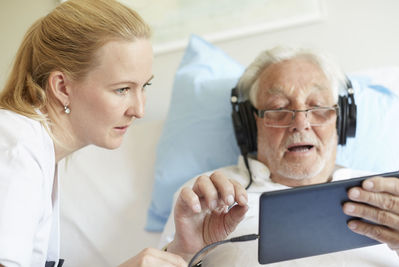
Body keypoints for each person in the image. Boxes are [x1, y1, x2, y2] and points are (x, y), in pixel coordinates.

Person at [0, 0, 249, 266]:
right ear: (62, 87)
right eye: (122, 89)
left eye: (145, 86)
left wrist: (182, 249)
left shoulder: (36, 149)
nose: (139, 110)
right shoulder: (18, 151)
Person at [160, 46, 399, 266]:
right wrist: (184, 253)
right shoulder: (205, 197)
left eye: (317, 105)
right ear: (252, 125)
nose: (301, 123)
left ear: (343, 119)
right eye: (278, 108)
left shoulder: (390, 198)